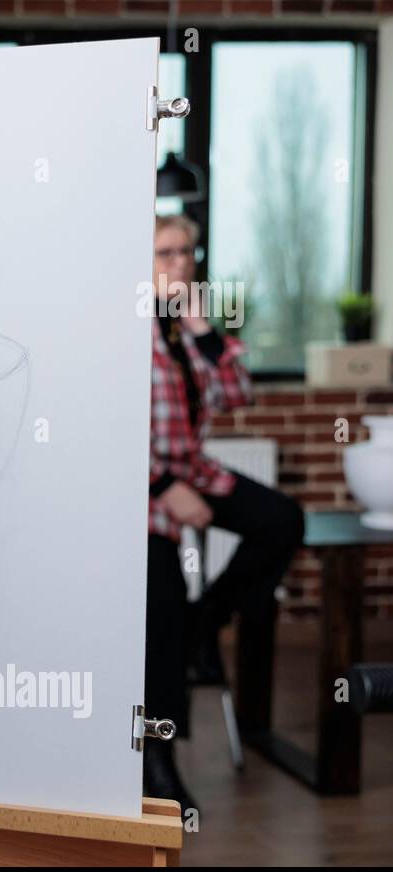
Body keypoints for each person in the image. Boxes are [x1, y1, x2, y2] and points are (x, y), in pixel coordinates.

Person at [145, 214, 304, 812]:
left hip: (194, 470)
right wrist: (161, 485)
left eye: (186, 251)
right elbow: (103, 425)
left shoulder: (191, 328)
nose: (178, 263)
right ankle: (157, 762)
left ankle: (205, 619)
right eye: (164, 252)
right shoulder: (120, 326)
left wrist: (199, 325)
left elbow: (240, 392)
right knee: (160, 603)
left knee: (281, 519)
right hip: (143, 484)